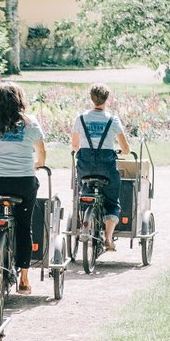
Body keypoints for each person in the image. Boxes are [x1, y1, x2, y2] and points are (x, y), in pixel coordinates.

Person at [0, 82, 46, 293]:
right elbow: (42, 155)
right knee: (24, 226)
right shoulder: (31, 123)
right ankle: (24, 279)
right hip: (23, 182)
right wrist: (37, 164)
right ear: (20, 102)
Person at [70, 84, 131, 250]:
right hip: (106, 167)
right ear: (107, 99)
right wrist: (122, 150)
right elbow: (125, 149)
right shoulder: (113, 120)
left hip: (85, 167)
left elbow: (75, 145)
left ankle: (85, 220)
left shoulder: (80, 118)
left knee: (84, 192)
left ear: (91, 98)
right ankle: (108, 238)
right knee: (112, 202)